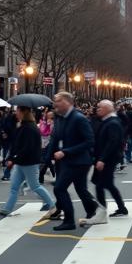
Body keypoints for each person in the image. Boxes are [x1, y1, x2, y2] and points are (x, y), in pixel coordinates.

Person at [46, 92, 97, 229]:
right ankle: (93, 210)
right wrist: (46, 159)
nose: (55, 103)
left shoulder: (79, 118)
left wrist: (65, 152)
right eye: (55, 101)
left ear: (68, 102)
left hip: (78, 161)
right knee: (80, 189)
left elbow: (89, 141)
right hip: (67, 160)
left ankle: (69, 221)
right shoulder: (60, 118)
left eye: (58, 100)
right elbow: (55, 139)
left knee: (59, 188)